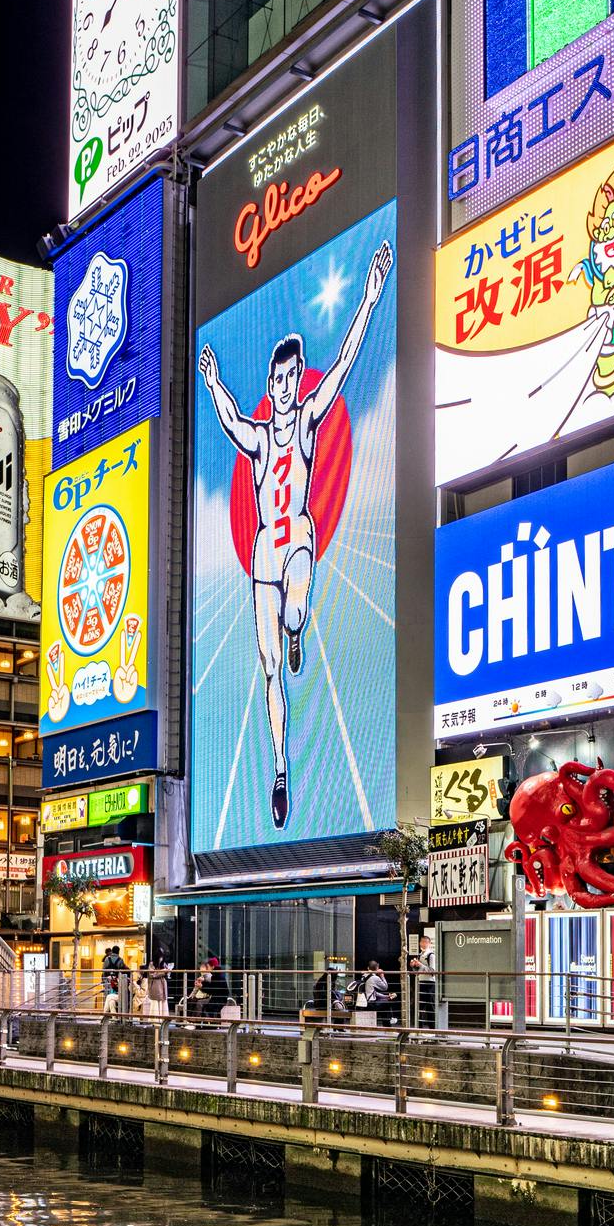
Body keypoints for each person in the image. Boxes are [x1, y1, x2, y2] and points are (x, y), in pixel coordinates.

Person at [194, 237, 393, 828]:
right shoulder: (258, 436)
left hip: (298, 536)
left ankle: (298, 622)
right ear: (270, 381)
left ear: (294, 381)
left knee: (297, 606)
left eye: (289, 378)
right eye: (276, 378)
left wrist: (369, 298)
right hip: (262, 551)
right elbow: (230, 420)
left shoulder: (307, 419)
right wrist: (212, 385)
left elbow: (344, 366)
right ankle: (281, 767)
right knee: (268, 665)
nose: (283, 386)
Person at [101, 945, 128, 1012]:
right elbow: (122, 970)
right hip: (116, 983)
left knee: (107, 996)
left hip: (107, 981)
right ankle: (112, 1012)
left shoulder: (107, 959)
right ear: (118, 952)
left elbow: (104, 970)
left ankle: (107, 1012)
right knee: (114, 997)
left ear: (112, 951)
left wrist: (104, 980)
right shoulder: (120, 960)